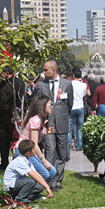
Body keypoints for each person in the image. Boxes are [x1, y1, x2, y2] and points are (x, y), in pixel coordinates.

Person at [33, 60, 73, 191]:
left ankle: (58, 181)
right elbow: (36, 103)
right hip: (47, 124)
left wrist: (60, 114)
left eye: (46, 70)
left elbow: (69, 104)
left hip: (62, 123)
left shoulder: (67, 84)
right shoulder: (41, 85)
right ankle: (49, 179)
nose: (43, 73)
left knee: (62, 153)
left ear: (54, 70)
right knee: (49, 151)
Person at [14, 95, 56, 183]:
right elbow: (34, 143)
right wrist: (44, 161)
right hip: (23, 151)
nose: (51, 107)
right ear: (43, 106)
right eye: (49, 104)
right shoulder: (36, 120)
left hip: (31, 151)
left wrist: (46, 131)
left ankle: (33, 193)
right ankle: (28, 193)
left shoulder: (41, 119)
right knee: (45, 174)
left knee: (52, 172)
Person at [0, 66, 26, 169]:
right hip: (3, 117)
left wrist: (16, 114)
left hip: (13, 117)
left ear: (7, 73)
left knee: (15, 140)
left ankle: (15, 163)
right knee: (3, 139)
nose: (0, 75)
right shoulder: (2, 84)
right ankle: (4, 162)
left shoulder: (18, 83)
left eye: (2, 73)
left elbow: (21, 100)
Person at [3, 140, 54, 204]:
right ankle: (19, 200)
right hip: (11, 186)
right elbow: (33, 175)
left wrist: (47, 186)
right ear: (28, 153)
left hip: (18, 183)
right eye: (33, 150)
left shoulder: (27, 159)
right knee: (31, 182)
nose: (34, 151)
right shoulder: (20, 161)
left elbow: (36, 173)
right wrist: (47, 187)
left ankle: (24, 196)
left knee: (40, 186)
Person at [68, 67, 89, 154]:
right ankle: (79, 145)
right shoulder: (83, 85)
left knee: (69, 127)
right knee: (80, 127)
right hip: (80, 106)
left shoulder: (70, 83)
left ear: (73, 75)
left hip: (71, 107)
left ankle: (68, 143)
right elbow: (85, 94)